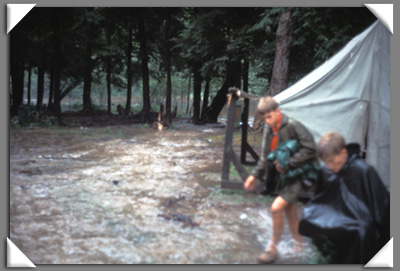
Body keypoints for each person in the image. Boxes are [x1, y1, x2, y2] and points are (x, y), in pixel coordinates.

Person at [243, 96, 317, 264]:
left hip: (297, 174)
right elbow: (265, 157)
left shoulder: (292, 125)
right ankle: (299, 245)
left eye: (269, 117)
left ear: (278, 111)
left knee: (276, 208)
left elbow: (310, 147)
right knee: (290, 211)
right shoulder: (269, 130)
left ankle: (272, 248)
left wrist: (290, 162)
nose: (267, 121)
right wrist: (254, 176)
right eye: (264, 118)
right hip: (283, 177)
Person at [299, 132, 390, 264]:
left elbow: (381, 207)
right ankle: (328, 257)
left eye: (332, 161)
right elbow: (321, 197)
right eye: (326, 162)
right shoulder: (326, 170)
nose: (330, 167)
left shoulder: (363, 171)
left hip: (360, 218)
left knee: (362, 232)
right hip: (335, 212)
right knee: (309, 216)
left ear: (343, 153)